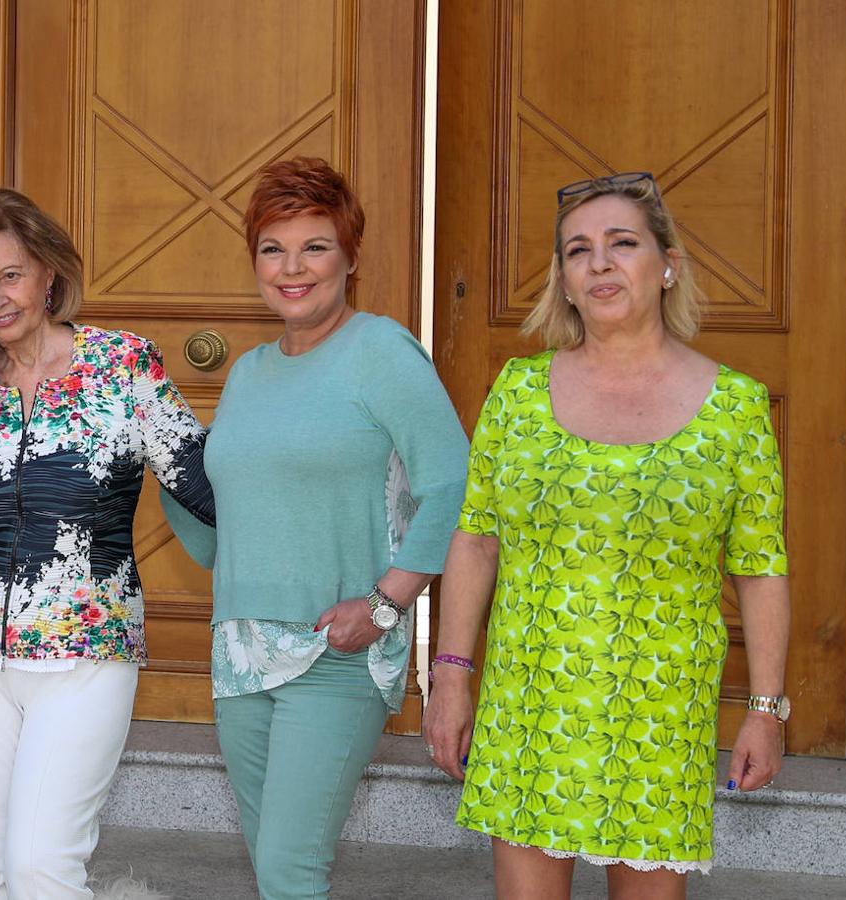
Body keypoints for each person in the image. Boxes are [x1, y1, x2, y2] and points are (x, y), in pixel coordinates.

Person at [423, 172, 790, 899]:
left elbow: (759, 567)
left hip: (661, 708)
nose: (599, 264)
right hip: (531, 699)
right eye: (577, 251)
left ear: (667, 265)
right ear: (562, 280)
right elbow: (477, 540)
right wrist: (451, 675)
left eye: (623, 244)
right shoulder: (518, 393)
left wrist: (766, 709)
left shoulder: (737, 409)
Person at [163, 157, 468, 899]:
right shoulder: (249, 373)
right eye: (273, 249)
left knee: (289, 871)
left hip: (337, 650)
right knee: (276, 870)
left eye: (314, 246)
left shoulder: (379, 352)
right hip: (241, 654)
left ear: (350, 257)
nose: (292, 268)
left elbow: (458, 485)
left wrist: (387, 603)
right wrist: (160, 461)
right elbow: (222, 531)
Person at [0, 187, 214, 899]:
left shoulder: (122, 366)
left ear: (50, 274)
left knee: (41, 868)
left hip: (86, 652)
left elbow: (209, 488)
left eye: (12, 274)